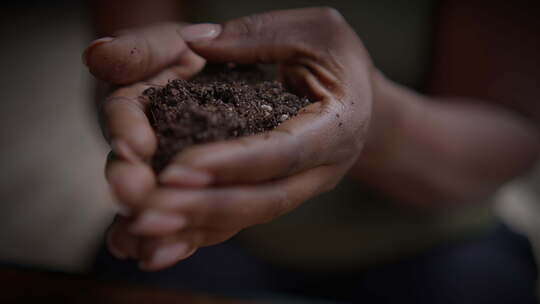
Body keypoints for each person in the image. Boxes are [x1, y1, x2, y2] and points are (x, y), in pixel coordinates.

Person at [84, 1, 540, 302]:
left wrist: (372, 118)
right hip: (216, 233)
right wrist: (137, 67)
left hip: (437, 241)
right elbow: (127, 61)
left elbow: (513, 134)